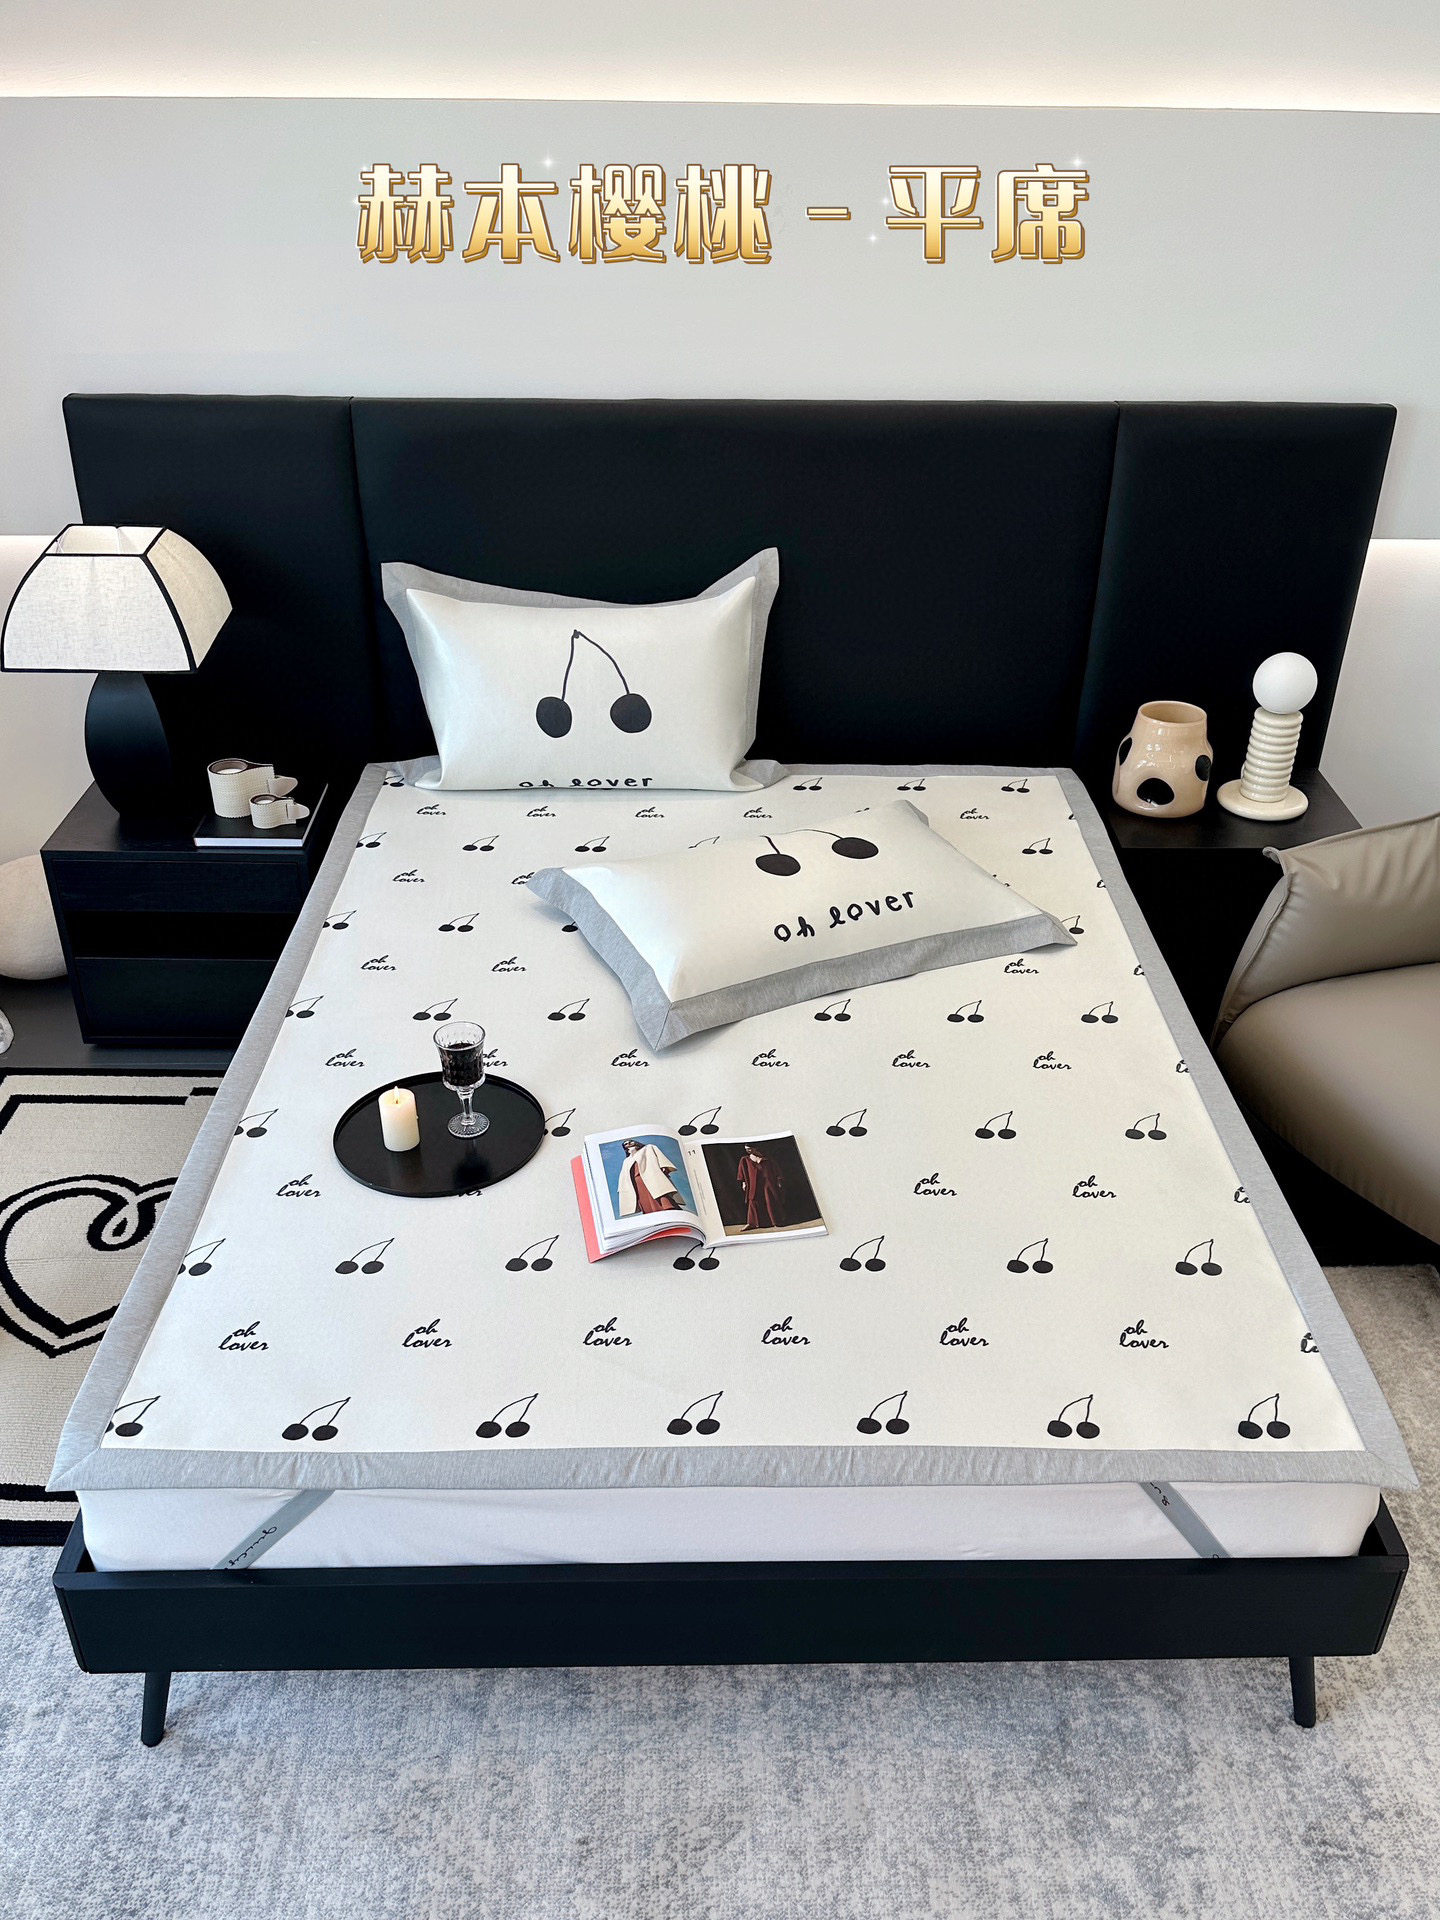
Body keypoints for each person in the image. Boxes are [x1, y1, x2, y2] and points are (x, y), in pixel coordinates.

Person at [616, 1139, 685, 1215]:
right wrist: (622, 1188)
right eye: (626, 1144)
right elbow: (624, 1176)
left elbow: (658, 1156)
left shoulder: (648, 1148)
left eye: (630, 1142)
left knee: (660, 1195)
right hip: (637, 1183)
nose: (629, 1144)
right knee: (645, 1200)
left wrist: (663, 1166)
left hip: (651, 1176)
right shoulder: (627, 1161)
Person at [736, 1142, 784, 1231]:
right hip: (753, 1183)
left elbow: (775, 1169)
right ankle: (751, 1223)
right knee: (753, 1200)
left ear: (755, 1148)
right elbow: (742, 1171)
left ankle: (775, 1221)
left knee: (769, 1200)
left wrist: (778, 1180)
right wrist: (744, 1183)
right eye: (746, 1149)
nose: (747, 1150)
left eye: (749, 1149)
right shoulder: (745, 1159)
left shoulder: (767, 1158)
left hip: (767, 1182)